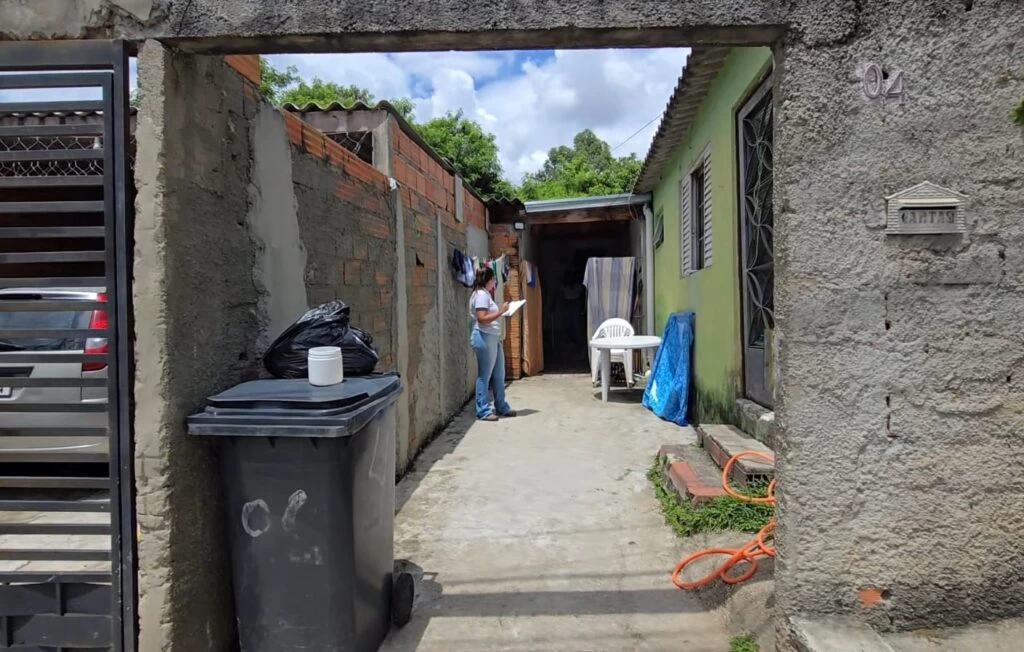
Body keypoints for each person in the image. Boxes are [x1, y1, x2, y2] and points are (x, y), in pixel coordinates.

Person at [469, 267, 516, 421]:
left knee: (499, 374)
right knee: (485, 375)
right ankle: (483, 410)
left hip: (492, 337)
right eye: (493, 280)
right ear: (489, 280)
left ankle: (501, 406)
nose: (494, 283)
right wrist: (501, 311)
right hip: (484, 336)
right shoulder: (481, 295)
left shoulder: (484, 294)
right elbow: (482, 318)